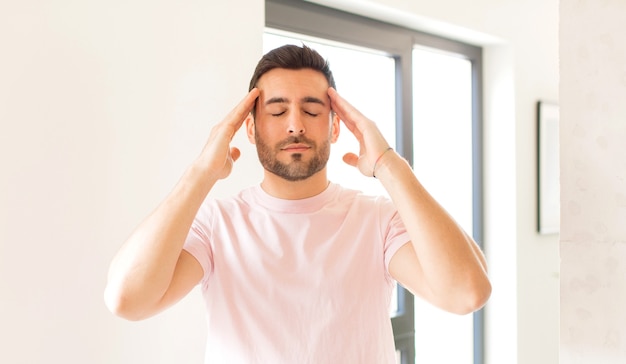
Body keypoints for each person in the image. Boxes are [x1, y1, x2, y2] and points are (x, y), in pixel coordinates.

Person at [104, 44, 491, 363]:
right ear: (251, 128)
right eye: (276, 111)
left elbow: (467, 292)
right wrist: (201, 173)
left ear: (336, 126)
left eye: (311, 111)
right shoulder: (217, 224)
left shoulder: (376, 219)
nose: (295, 125)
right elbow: (126, 299)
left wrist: (389, 165)